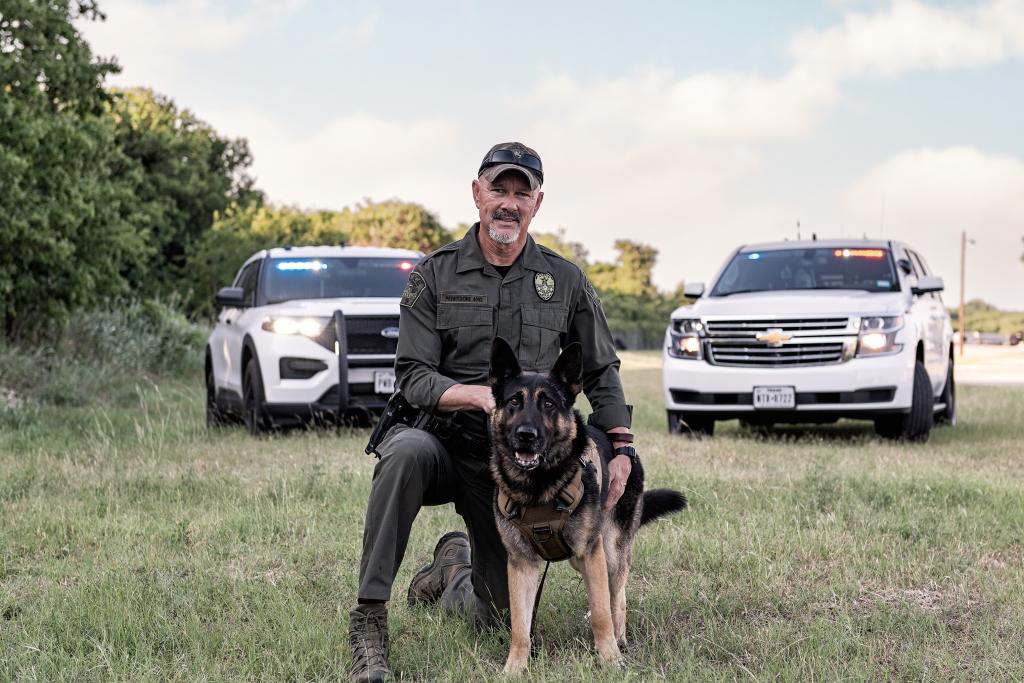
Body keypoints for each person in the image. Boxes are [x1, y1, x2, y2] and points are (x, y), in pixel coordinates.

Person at [347, 142, 637, 682]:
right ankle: (369, 619)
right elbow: (411, 374)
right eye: (498, 189)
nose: (508, 203)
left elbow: (600, 368)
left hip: (517, 471)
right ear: (477, 194)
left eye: (520, 193)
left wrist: (621, 448)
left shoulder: (565, 281)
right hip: (441, 440)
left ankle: (454, 567)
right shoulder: (435, 274)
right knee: (403, 453)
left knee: (498, 620)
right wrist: (476, 395)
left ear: (537, 203)